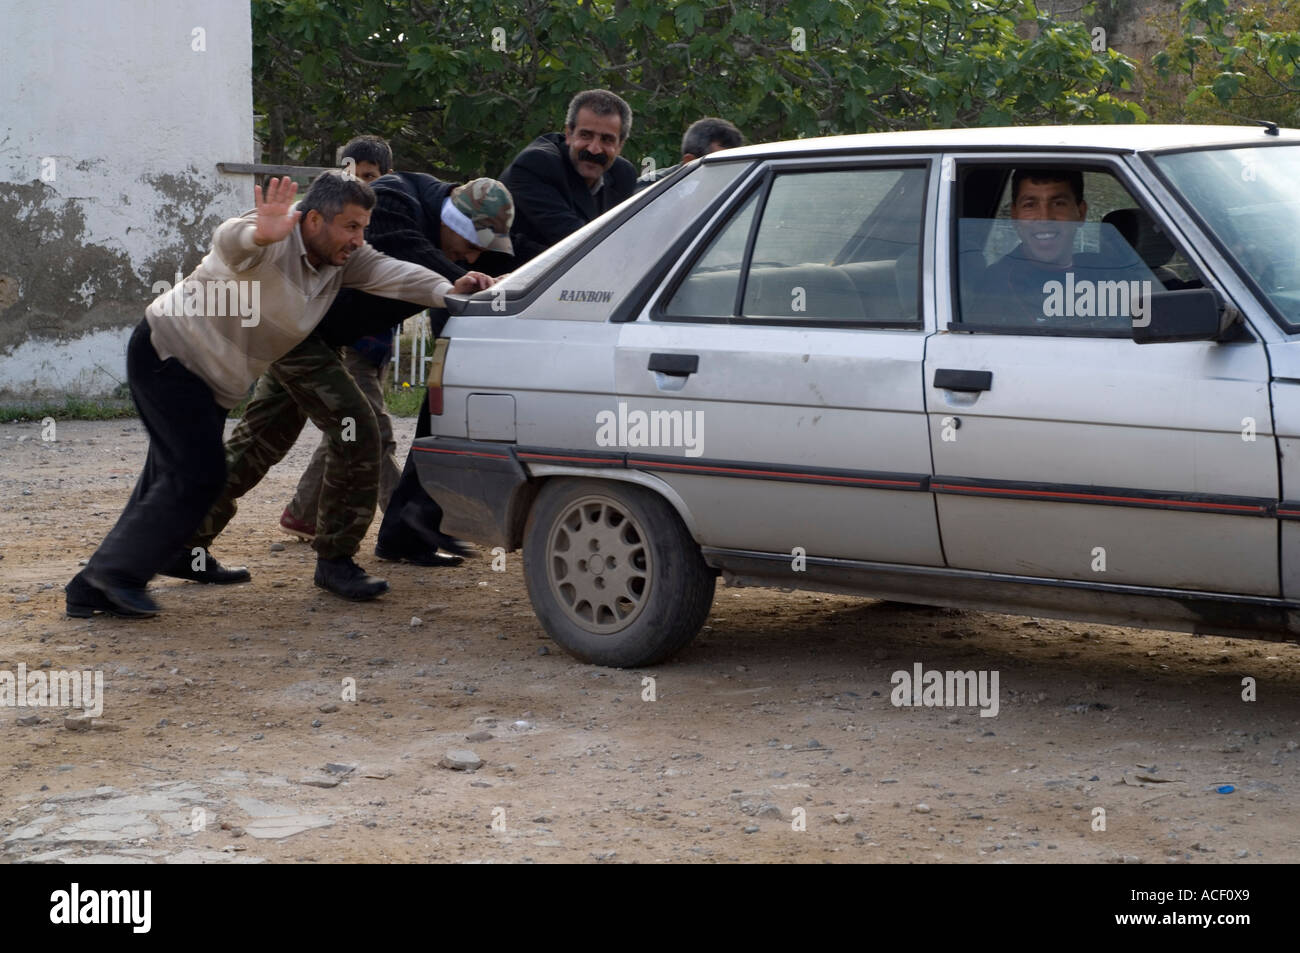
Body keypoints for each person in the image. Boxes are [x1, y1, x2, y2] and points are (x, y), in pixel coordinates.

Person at [66, 172, 491, 618]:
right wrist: (258, 232)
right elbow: (230, 241)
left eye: (364, 226)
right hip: (169, 356)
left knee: (168, 480)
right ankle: (115, 576)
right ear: (312, 221)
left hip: (210, 381)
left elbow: (394, 273)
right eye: (350, 226)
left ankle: (91, 586)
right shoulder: (271, 239)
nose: (359, 238)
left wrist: (448, 289)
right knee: (198, 475)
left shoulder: (345, 260)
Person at [277, 173, 516, 571]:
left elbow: (404, 275)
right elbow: (406, 253)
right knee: (361, 432)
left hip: (333, 342)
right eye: (471, 247)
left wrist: (464, 289)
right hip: (303, 339)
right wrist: (460, 285)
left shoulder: (431, 248)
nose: (473, 259)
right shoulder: (393, 199)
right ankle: (335, 558)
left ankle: (313, 532)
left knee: (281, 442)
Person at [279, 135, 402, 544]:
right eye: (350, 174)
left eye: (368, 177)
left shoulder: (381, 223)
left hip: (375, 346)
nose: (358, 184)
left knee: (346, 429)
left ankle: (302, 512)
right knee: (373, 432)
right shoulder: (332, 227)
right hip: (350, 346)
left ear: (387, 178)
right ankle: (406, 522)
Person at [967, 169, 1147, 329]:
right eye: (1030, 205)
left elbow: (1150, 330)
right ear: (1015, 216)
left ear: (1080, 212)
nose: (1045, 218)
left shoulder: (1112, 275)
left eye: (1058, 203)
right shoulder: (998, 287)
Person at [500, 89, 636, 263]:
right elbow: (577, 243)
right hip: (503, 281)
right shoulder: (536, 164)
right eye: (586, 135)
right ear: (569, 134)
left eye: (607, 139)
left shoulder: (623, 175)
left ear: (620, 145)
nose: (594, 149)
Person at [635, 117, 744, 191]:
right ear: (690, 161)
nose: (728, 172)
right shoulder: (650, 191)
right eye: (720, 165)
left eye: (734, 164)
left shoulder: (740, 188)